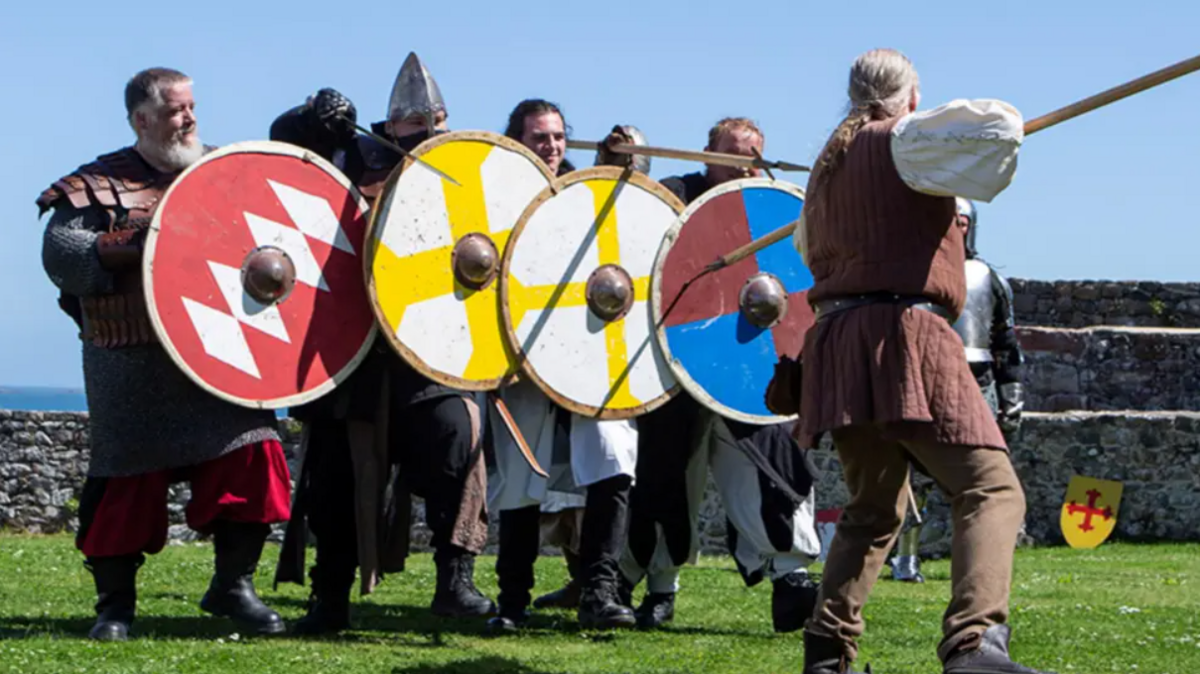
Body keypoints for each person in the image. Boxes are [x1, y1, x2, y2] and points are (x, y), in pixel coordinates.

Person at [791, 48, 1047, 674]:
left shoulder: (825, 171)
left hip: (842, 338)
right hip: (906, 334)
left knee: (876, 508)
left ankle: (827, 653)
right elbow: (998, 128)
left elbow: (807, 252)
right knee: (991, 489)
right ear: (910, 96)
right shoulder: (905, 141)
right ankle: (974, 643)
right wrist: (920, 124)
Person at [38, 67, 292, 641]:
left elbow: (281, 231)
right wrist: (134, 243)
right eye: (177, 109)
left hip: (222, 356)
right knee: (125, 484)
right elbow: (62, 254)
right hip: (134, 361)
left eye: (192, 106)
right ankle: (115, 607)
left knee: (253, 455)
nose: (190, 118)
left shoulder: (222, 173)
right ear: (141, 119)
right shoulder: (95, 184)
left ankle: (233, 587)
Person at [269, 52, 495, 635]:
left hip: (431, 350)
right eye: (413, 124)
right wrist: (314, 113)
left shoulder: (463, 170)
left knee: (459, 442)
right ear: (390, 125)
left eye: (433, 122)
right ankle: (330, 599)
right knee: (337, 476)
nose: (423, 131)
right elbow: (282, 142)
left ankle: (456, 580)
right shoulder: (349, 155)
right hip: (351, 349)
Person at [614, 117, 821, 632]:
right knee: (666, 477)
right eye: (731, 152)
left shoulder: (769, 205)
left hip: (752, 365)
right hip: (676, 359)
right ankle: (659, 589)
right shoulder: (674, 198)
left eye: (752, 153)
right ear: (706, 153)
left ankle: (790, 579)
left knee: (768, 464)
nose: (742, 162)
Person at [485, 99, 649, 632]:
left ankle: (599, 589)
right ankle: (512, 599)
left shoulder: (585, 198)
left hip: (589, 352)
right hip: (520, 352)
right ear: (517, 142)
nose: (551, 147)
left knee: (611, 454)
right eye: (539, 138)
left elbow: (626, 239)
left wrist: (620, 170)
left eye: (558, 137)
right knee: (519, 473)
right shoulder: (499, 200)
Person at [891, 197, 1026, 584]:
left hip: (977, 378)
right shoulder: (914, 272)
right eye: (950, 220)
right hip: (924, 375)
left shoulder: (988, 278)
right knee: (914, 477)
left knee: (978, 477)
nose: (957, 227)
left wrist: (1011, 396)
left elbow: (1005, 341)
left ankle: (976, 565)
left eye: (962, 221)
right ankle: (906, 558)